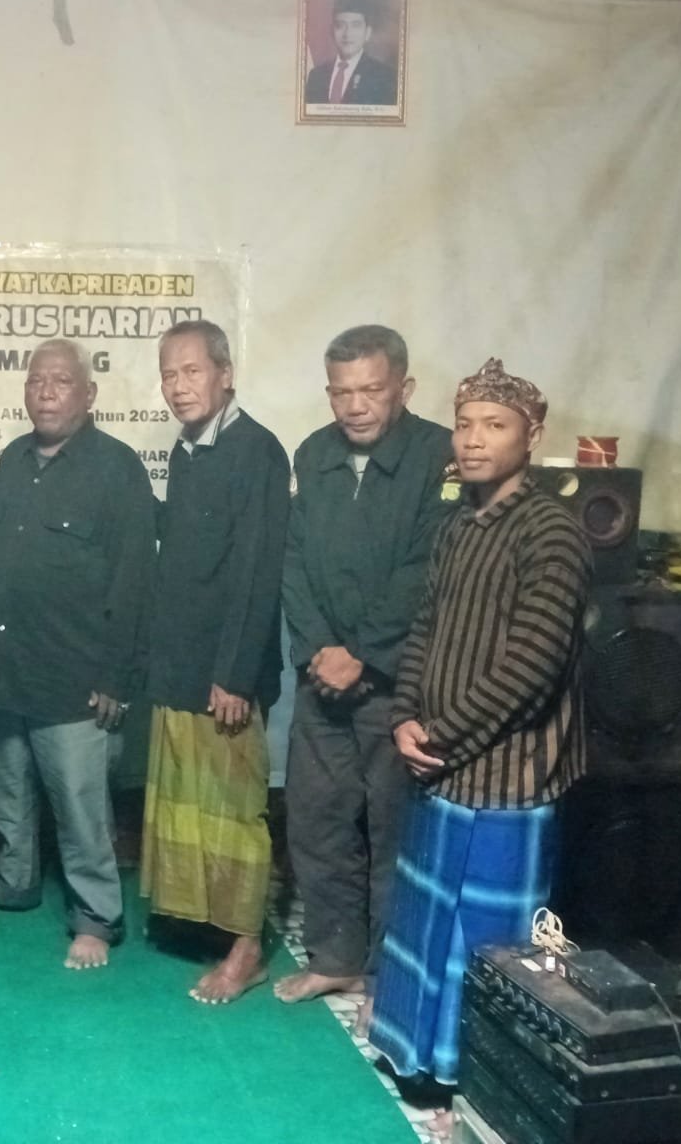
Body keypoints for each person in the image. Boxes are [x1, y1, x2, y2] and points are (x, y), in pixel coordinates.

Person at [366, 359, 591, 1135]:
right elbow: (424, 632)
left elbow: (533, 663)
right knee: (426, 923)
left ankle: (481, 1076)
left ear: (533, 436)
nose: (472, 440)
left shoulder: (552, 531)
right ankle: (417, 1059)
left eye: (494, 426)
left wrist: (444, 734)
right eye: (464, 424)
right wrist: (404, 716)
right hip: (438, 769)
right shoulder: (458, 524)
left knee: (488, 942)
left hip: (508, 779)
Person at [0, 339, 156, 970]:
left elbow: (133, 581)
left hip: (76, 676)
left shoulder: (117, 468)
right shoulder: (12, 459)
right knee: (6, 791)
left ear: (88, 394)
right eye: (36, 380)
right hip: (7, 668)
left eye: (61, 381)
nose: (45, 391)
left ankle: (96, 916)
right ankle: (12, 880)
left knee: (79, 805)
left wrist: (116, 676)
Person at [275, 326, 453, 1024]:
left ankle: (387, 975)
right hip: (322, 680)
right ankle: (335, 957)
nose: (355, 406)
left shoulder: (439, 455)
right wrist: (320, 649)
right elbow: (294, 563)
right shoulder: (313, 453)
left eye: (371, 390)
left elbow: (424, 569)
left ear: (403, 388)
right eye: (341, 391)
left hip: (396, 683)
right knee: (318, 823)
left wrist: (362, 653)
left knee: (392, 832)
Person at [140, 320, 290, 1004]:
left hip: (225, 676)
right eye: (169, 374)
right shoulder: (188, 451)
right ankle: (209, 926)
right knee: (190, 806)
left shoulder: (257, 450)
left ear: (226, 375)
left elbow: (257, 571)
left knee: (234, 812)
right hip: (180, 666)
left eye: (192, 371)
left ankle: (247, 950)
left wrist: (234, 674)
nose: (178, 386)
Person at [305, 0, 398, 106]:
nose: (347, 34)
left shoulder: (385, 77)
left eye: (356, 25)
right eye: (340, 25)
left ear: (367, 33)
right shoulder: (316, 76)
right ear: (332, 31)